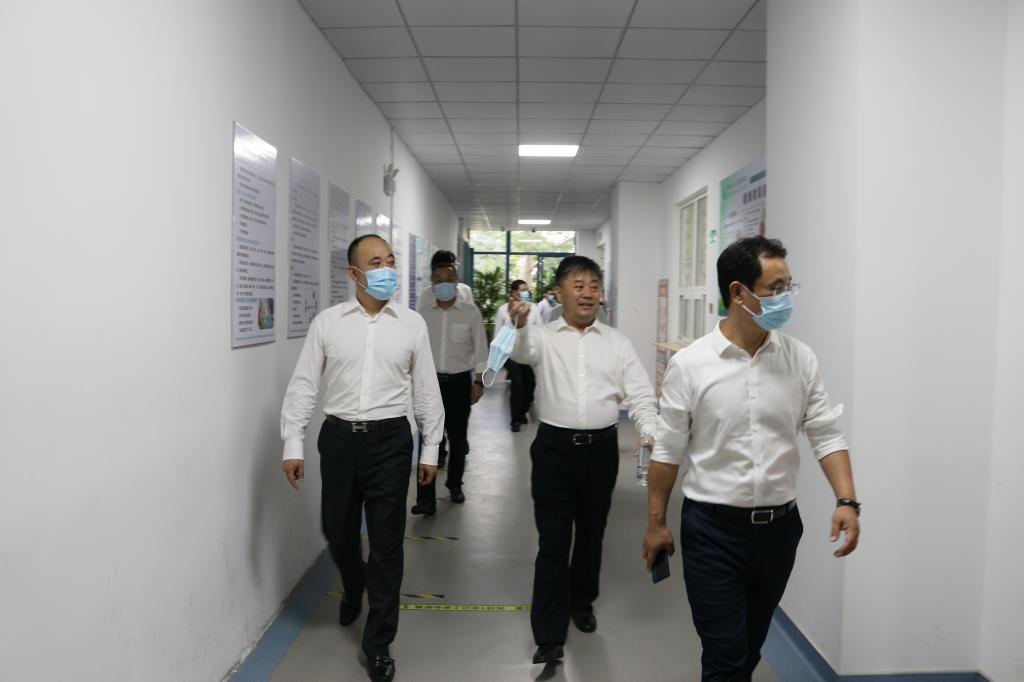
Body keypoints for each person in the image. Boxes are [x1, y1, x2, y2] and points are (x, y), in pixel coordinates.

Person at [643, 236, 860, 681]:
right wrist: (656, 522)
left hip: (779, 532)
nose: (786, 298)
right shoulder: (692, 365)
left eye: (789, 286)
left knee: (748, 650)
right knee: (725, 655)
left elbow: (825, 432)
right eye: (775, 288)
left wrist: (847, 500)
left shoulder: (799, 359)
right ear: (738, 293)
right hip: (712, 531)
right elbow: (667, 451)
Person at [280, 234, 444, 682]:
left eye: (390, 260)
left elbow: (426, 391)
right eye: (376, 262)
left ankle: (379, 644)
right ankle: (354, 586)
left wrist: (431, 448)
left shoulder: (411, 325)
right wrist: (293, 442)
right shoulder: (328, 324)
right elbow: (304, 385)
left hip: (391, 442)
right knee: (338, 531)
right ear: (354, 273)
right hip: (338, 440)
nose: (387, 268)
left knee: (387, 546)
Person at [508, 256, 657, 666]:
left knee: (592, 532)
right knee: (554, 541)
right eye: (578, 285)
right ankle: (548, 635)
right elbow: (520, 352)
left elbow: (640, 392)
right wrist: (518, 324)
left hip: (601, 451)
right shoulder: (542, 336)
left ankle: (582, 601)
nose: (588, 293)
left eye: (594, 285)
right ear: (559, 292)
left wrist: (648, 429)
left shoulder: (616, 342)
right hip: (553, 450)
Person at [412, 258, 487, 515]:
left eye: (449, 279)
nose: (444, 283)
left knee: (457, 439)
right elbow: (415, 351)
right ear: (432, 284)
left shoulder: (470, 313)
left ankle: (455, 484)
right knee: (428, 440)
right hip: (430, 383)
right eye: (438, 280)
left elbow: (480, 350)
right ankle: (425, 499)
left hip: (459, 383)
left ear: (457, 282)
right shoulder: (422, 315)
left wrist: (479, 382)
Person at [495, 279, 541, 432]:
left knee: (530, 384)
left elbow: (539, 330)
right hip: (510, 353)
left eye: (527, 290)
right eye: (523, 290)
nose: (527, 293)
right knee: (518, 383)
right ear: (514, 293)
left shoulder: (534, 309)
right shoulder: (503, 310)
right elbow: (498, 333)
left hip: (527, 352)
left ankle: (522, 412)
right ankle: (515, 420)